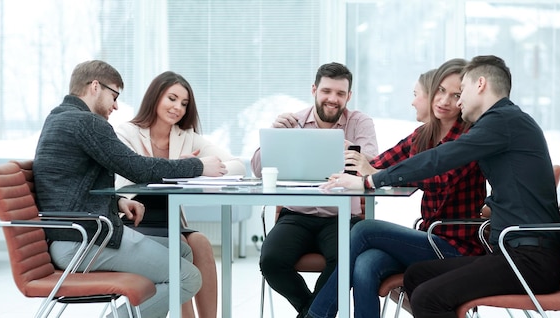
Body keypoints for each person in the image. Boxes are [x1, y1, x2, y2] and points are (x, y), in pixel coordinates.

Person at [322, 55, 560, 318]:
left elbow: (440, 159)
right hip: (512, 253)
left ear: (480, 84)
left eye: (463, 92)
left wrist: (370, 180)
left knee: (427, 295)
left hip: (528, 261)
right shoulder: (504, 123)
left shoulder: (502, 122)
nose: (459, 102)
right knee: (417, 275)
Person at [33, 60, 228, 318]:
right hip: (84, 242)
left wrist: (115, 204)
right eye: (113, 95)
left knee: (183, 250)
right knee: (188, 278)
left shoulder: (57, 118)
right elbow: (138, 169)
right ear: (95, 87)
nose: (115, 105)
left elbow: (66, 185)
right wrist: (198, 166)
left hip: (76, 235)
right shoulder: (88, 123)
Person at [306, 59, 487, 318]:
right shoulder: (423, 135)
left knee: (364, 229)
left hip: (456, 247)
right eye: (440, 91)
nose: (445, 100)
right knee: (366, 264)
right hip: (430, 237)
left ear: (464, 99)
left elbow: (437, 179)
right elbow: (379, 164)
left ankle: (317, 315)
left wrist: (378, 175)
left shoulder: (468, 139)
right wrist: (348, 166)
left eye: (456, 95)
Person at [250, 62, 378, 318]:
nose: (333, 99)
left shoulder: (360, 123)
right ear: (314, 90)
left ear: (349, 96)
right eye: (327, 91)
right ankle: (312, 313)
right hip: (296, 214)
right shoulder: (292, 122)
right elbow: (257, 168)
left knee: (343, 262)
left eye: (340, 94)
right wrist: (277, 136)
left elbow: (372, 165)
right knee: (271, 261)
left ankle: (313, 314)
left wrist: (344, 147)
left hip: (341, 217)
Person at [115, 71, 244, 318]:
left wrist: (198, 170)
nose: (177, 108)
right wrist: (182, 168)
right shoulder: (127, 133)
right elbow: (131, 176)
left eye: (184, 104)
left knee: (202, 244)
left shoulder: (186, 138)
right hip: (133, 218)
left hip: (171, 219)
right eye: (172, 98)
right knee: (181, 246)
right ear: (156, 97)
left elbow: (237, 165)